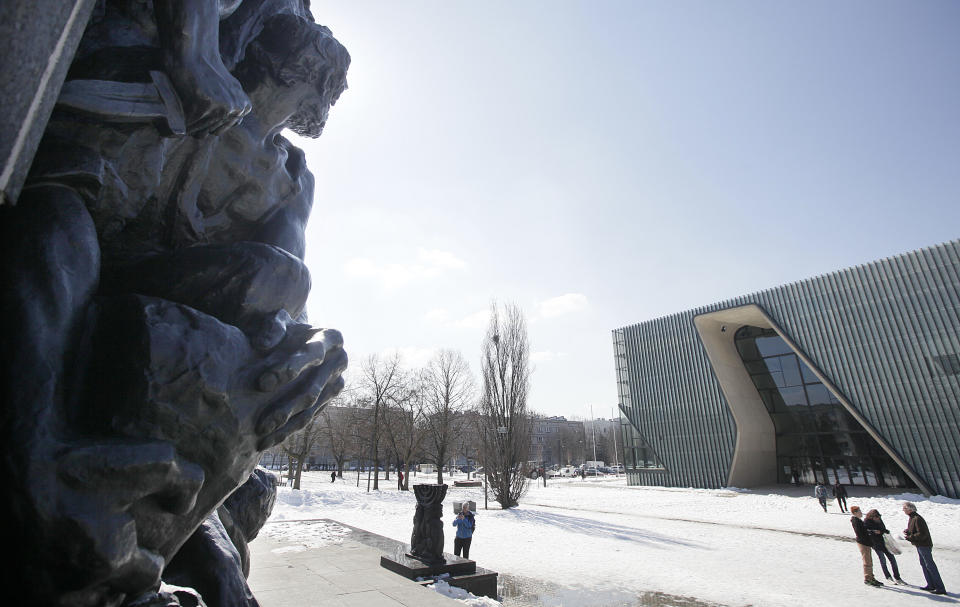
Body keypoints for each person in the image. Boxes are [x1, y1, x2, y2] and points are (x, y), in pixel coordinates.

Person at [903, 501, 947, 595]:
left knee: (930, 566)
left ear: (910, 509)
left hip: (924, 545)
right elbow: (916, 530)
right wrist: (909, 532)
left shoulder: (917, 518)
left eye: (905, 508)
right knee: (924, 565)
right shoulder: (912, 518)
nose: (903, 510)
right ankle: (931, 585)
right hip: (920, 545)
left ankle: (940, 588)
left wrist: (911, 537)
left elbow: (922, 534)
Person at [864, 509, 903, 584]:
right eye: (876, 517)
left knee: (892, 560)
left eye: (878, 517)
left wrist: (881, 531)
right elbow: (866, 532)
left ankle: (897, 577)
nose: (878, 519)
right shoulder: (867, 522)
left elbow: (883, 529)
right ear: (872, 517)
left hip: (885, 543)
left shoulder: (879, 520)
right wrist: (873, 532)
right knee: (883, 560)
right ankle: (888, 577)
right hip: (876, 544)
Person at [850, 506, 883, 587]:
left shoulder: (858, 520)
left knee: (869, 560)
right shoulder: (856, 521)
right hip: (863, 543)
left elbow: (864, 530)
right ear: (855, 513)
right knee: (867, 561)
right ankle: (868, 578)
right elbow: (860, 533)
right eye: (859, 511)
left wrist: (870, 531)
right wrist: (869, 533)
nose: (861, 512)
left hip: (866, 542)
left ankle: (871, 577)